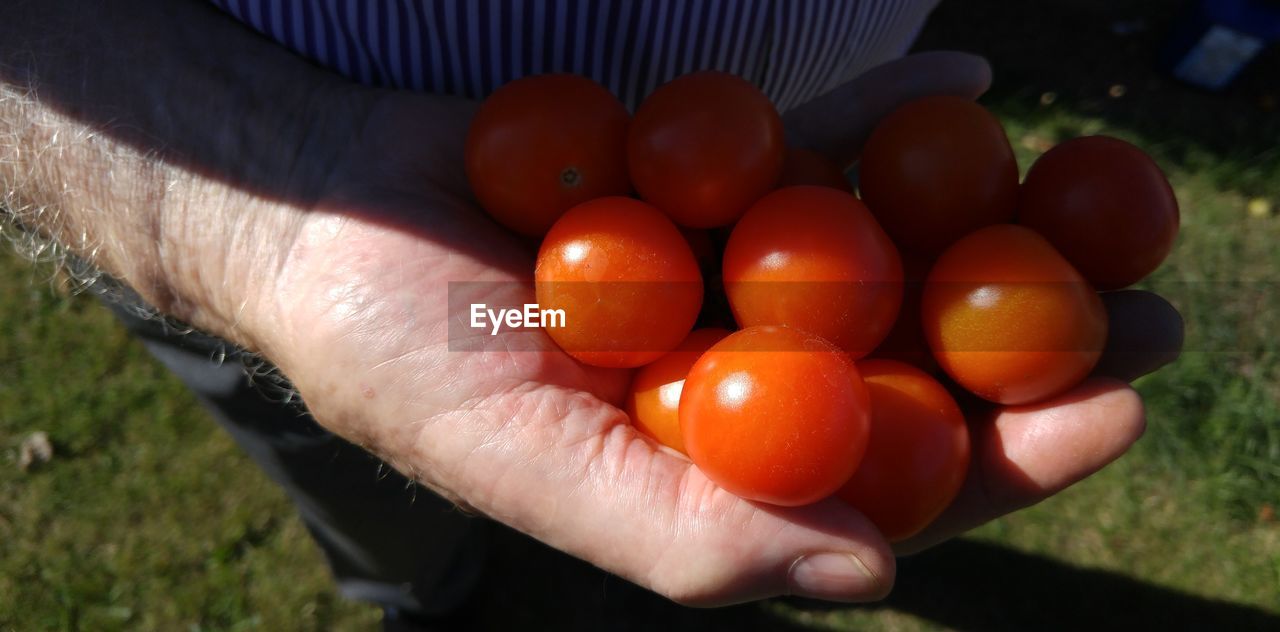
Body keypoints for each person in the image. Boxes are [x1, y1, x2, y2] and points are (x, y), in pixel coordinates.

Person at [0, 0, 1180, 625]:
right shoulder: (558, 289)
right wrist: (230, 221)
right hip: (274, 162)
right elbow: (539, 318)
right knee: (349, 450)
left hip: (779, 158)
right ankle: (418, 591)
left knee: (503, 330)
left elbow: (537, 321)